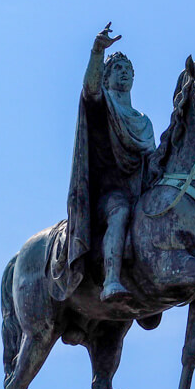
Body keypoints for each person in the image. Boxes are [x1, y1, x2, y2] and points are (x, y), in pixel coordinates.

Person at [52, 23, 155, 302]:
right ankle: (111, 279)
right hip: (107, 195)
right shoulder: (103, 103)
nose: (123, 72)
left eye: (127, 69)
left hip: (139, 192)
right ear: (106, 77)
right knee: (120, 212)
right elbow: (90, 89)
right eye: (117, 68)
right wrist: (98, 52)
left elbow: (153, 164)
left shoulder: (144, 122)